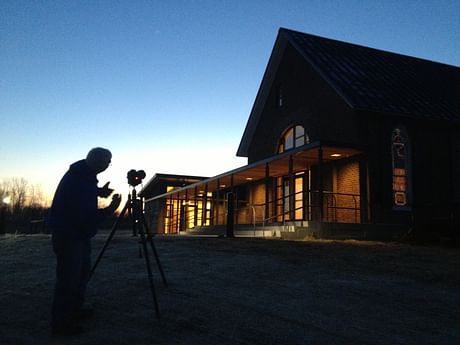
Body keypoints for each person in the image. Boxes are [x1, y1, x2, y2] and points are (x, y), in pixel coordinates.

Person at [47, 147, 121, 336]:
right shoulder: (79, 180)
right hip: (70, 235)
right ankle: (61, 325)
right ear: (98, 162)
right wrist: (110, 209)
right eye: (108, 161)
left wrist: (99, 191)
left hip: (77, 235)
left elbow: (84, 192)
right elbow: (85, 215)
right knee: (68, 281)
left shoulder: (82, 175)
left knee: (80, 275)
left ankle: (74, 311)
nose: (108, 165)